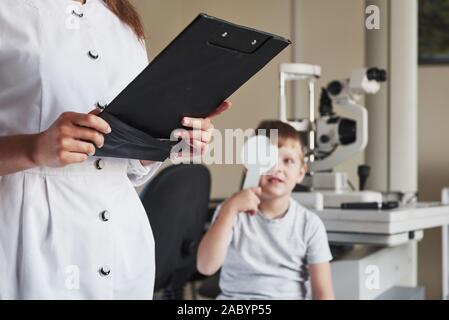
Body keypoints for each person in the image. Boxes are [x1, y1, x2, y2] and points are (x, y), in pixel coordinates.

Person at [0, 0, 230, 299]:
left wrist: (168, 141)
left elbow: (128, 165)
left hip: (122, 244)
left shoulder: (123, 22)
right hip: (27, 240)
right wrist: (34, 148)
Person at [197, 120, 334, 300]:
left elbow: (323, 292)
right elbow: (206, 267)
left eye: (288, 161)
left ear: (301, 172)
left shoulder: (310, 225)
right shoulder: (230, 212)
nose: (277, 168)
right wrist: (229, 210)